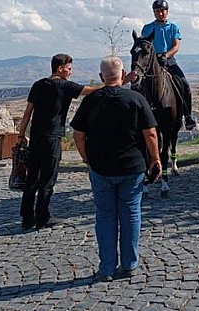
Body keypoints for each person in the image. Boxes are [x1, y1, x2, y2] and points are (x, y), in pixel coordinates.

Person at [71, 56, 162, 282]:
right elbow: (150, 134)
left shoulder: (91, 101)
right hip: (132, 168)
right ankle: (130, 264)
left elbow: (78, 136)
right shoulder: (135, 98)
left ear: (102, 77)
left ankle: (107, 268)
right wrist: (155, 159)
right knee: (131, 214)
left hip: (101, 168)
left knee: (105, 216)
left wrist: (86, 159)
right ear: (123, 75)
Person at [18, 53, 102, 230]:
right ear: (60, 68)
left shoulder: (38, 85)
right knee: (47, 180)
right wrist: (115, 83)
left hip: (35, 138)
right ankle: (43, 217)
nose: (71, 72)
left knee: (32, 178)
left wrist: (20, 135)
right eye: (69, 69)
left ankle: (27, 217)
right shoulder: (64, 86)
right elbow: (90, 91)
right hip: (52, 138)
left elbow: (27, 113)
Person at [141, 0, 197, 130]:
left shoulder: (173, 27)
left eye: (162, 11)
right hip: (151, 62)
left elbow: (176, 46)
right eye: (157, 11)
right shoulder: (147, 28)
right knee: (138, 85)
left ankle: (187, 116)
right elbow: (144, 46)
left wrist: (165, 56)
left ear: (167, 11)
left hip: (169, 60)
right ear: (154, 13)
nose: (160, 14)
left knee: (184, 84)